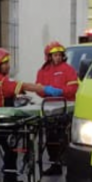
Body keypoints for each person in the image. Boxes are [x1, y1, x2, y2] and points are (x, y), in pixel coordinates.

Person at [0, 47, 62, 182]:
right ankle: (10, 179)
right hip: (5, 123)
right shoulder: (2, 82)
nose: (8, 66)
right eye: (5, 63)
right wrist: (44, 89)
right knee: (11, 151)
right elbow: (25, 86)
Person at [34, 41, 80, 175]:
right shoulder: (43, 71)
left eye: (60, 55)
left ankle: (65, 162)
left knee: (63, 137)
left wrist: (60, 91)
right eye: (55, 55)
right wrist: (45, 91)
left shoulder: (68, 69)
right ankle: (55, 164)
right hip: (49, 108)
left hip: (65, 107)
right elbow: (38, 88)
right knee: (50, 138)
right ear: (49, 56)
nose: (58, 57)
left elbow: (73, 88)